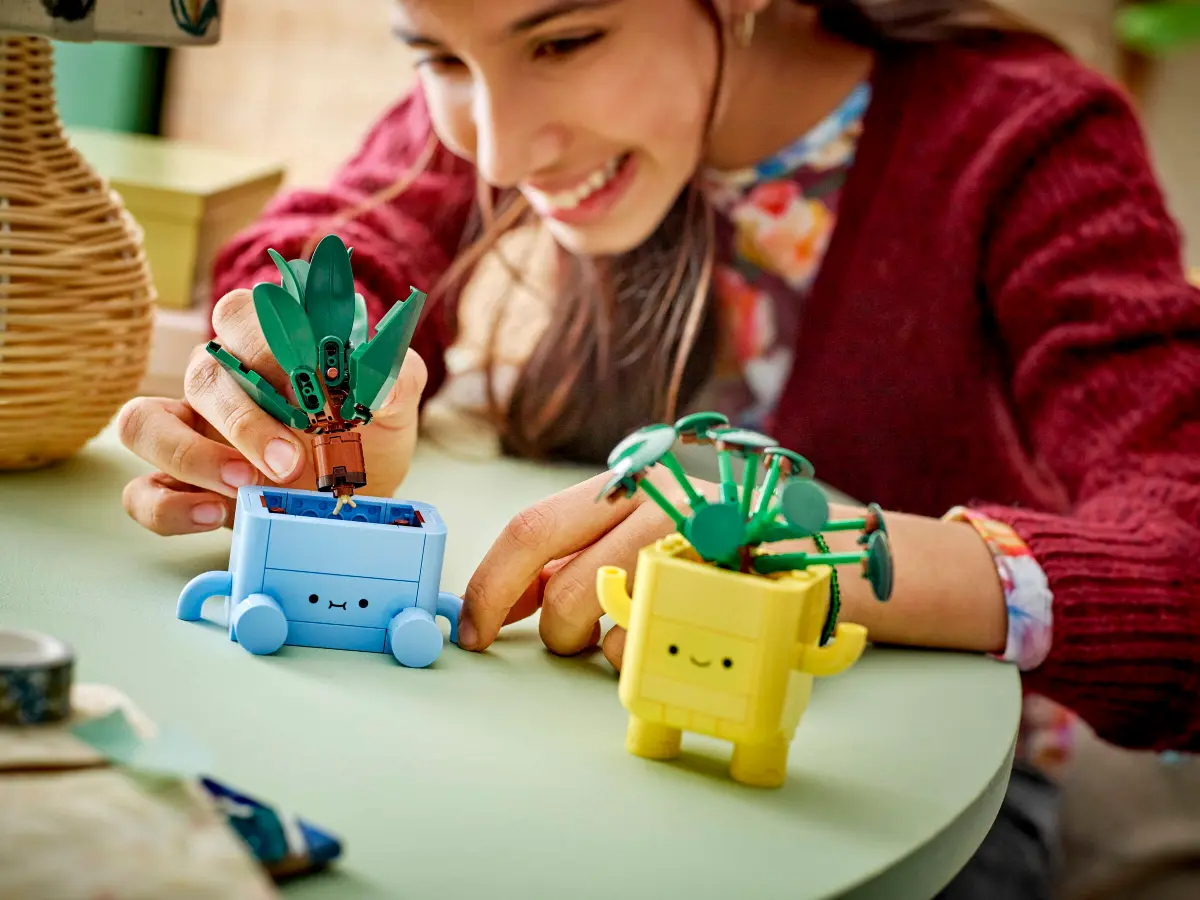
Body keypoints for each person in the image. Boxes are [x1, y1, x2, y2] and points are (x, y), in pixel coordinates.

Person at [115, 0, 1200, 895]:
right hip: (567, 738)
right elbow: (348, 239)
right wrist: (309, 365)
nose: (502, 149)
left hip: (915, 797)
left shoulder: (1025, 136)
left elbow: (1183, 563)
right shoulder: (503, 92)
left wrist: (805, 540)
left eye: (565, 40)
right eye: (438, 57)